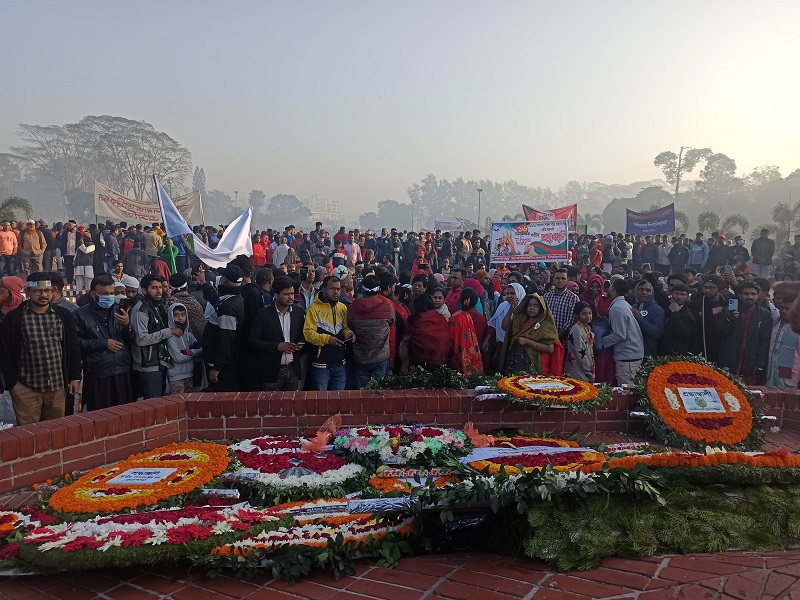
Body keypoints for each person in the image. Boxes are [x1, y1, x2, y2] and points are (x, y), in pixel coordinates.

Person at [0, 272, 81, 425]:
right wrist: (13, 385)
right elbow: (6, 352)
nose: (43, 295)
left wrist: (74, 377)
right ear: (28, 292)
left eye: (47, 291)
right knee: (29, 435)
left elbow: (73, 347)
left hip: (57, 387)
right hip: (26, 388)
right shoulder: (15, 318)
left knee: (55, 431)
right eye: (38, 291)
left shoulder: (63, 316)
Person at [73, 274, 133, 411]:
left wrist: (126, 325)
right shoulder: (80, 314)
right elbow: (76, 343)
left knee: (124, 414)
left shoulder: (119, 310)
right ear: (93, 294)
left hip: (122, 371)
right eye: (105, 294)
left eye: (112, 293)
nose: (109, 297)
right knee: (102, 416)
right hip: (98, 373)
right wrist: (103, 343)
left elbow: (131, 340)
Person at [249, 276, 306, 391]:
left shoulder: (298, 312)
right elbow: (253, 341)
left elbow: (303, 335)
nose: (290, 297)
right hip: (272, 372)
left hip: (293, 369)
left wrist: (300, 344)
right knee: (271, 406)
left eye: (292, 293)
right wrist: (277, 346)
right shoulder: (263, 315)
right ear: (276, 295)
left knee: (292, 406)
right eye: (286, 294)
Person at [131, 273, 181, 399]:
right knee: (152, 403)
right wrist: (169, 332)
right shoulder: (141, 311)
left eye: (160, 287)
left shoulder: (158, 305)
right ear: (144, 290)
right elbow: (141, 339)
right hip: (148, 364)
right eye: (154, 288)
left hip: (161, 361)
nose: (159, 291)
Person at [303, 275, 353, 391]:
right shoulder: (313, 309)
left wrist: (349, 334)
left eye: (338, 289)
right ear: (324, 289)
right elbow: (308, 334)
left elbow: (345, 327)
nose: (336, 292)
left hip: (340, 363)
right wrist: (327, 339)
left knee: (338, 401)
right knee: (321, 403)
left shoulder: (342, 307)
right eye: (332, 289)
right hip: (321, 365)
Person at [716, 281, 772, 385]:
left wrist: (760, 365)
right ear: (739, 295)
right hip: (728, 363)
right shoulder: (732, 307)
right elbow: (721, 332)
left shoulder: (765, 314)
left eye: (753, 294)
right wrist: (729, 318)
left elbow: (764, 341)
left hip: (750, 366)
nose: (750, 297)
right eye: (746, 294)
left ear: (758, 296)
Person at [347, 274, 394, 386]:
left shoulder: (352, 307)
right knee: (379, 393)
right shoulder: (387, 307)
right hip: (380, 358)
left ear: (362, 289)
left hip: (359, 358)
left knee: (362, 395)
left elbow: (349, 327)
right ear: (378, 290)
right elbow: (392, 322)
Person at [499, 293, 558, 376]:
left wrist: (527, 341)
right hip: (515, 360)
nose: (531, 308)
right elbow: (504, 326)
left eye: (535, 306)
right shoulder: (521, 321)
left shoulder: (544, 326)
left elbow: (550, 348)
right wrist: (511, 309)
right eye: (529, 305)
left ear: (541, 309)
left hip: (532, 364)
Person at [600, 279, 644, 385]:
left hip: (628, 357)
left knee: (626, 393)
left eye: (610, 286)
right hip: (631, 355)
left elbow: (619, 334)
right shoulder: (623, 304)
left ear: (614, 288)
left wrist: (601, 342)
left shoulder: (617, 308)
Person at [767, 284, 800, 387]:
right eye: (782, 308)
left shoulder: (797, 327)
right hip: (772, 370)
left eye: (788, 309)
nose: (784, 311)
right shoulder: (775, 322)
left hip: (790, 373)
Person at [408, 294, 451, 370]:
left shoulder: (420, 319)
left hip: (422, 360)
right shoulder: (440, 317)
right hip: (441, 359)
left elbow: (415, 339)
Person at [691, 274, 728, 363]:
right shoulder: (697, 304)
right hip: (703, 344)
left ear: (719, 288)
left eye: (712, 287)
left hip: (724, 343)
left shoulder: (729, 301)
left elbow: (734, 315)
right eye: (705, 287)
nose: (707, 290)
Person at [165, 303, 202, 394]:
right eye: (176, 315)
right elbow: (178, 358)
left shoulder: (188, 334)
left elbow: (200, 350)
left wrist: (188, 352)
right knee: (177, 405)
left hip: (189, 375)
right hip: (176, 378)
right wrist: (193, 354)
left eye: (183, 314)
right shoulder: (171, 337)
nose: (180, 318)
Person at [447, 289, 484, 376]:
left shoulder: (456, 317)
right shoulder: (468, 316)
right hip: (468, 356)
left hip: (457, 357)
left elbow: (450, 338)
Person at [543, 268, 579, 346]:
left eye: (563, 278)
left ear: (567, 280)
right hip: (546, 340)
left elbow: (570, 322)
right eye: (557, 278)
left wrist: (556, 340)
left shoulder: (573, 298)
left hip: (564, 343)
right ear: (553, 279)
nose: (560, 281)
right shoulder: (546, 296)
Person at [631, 280, 665, 359]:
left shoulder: (658, 310)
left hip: (648, 355)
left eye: (648, 290)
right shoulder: (632, 307)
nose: (644, 292)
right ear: (636, 291)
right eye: (641, 289)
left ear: (652, 293)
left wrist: (641, 320)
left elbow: (658, 333)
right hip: (631, 354)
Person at [661, 283, 696, 355]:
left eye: (683, 294)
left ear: (687, 296)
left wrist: (675, 313)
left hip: (679, 353)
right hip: (663, 350)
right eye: (676, 293)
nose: (679, 297)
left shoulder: (687, 313)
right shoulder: (666, 308)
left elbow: (679, 331)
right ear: (671, 294)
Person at [564, 301, 595, 382]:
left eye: (590, 313)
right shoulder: (576, 330)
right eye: (584, 314)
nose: (588, 316)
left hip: (586, 368)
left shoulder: (587, 327)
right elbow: (580, 354)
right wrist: (589, 372)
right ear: (577, 315)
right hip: (578, 369)